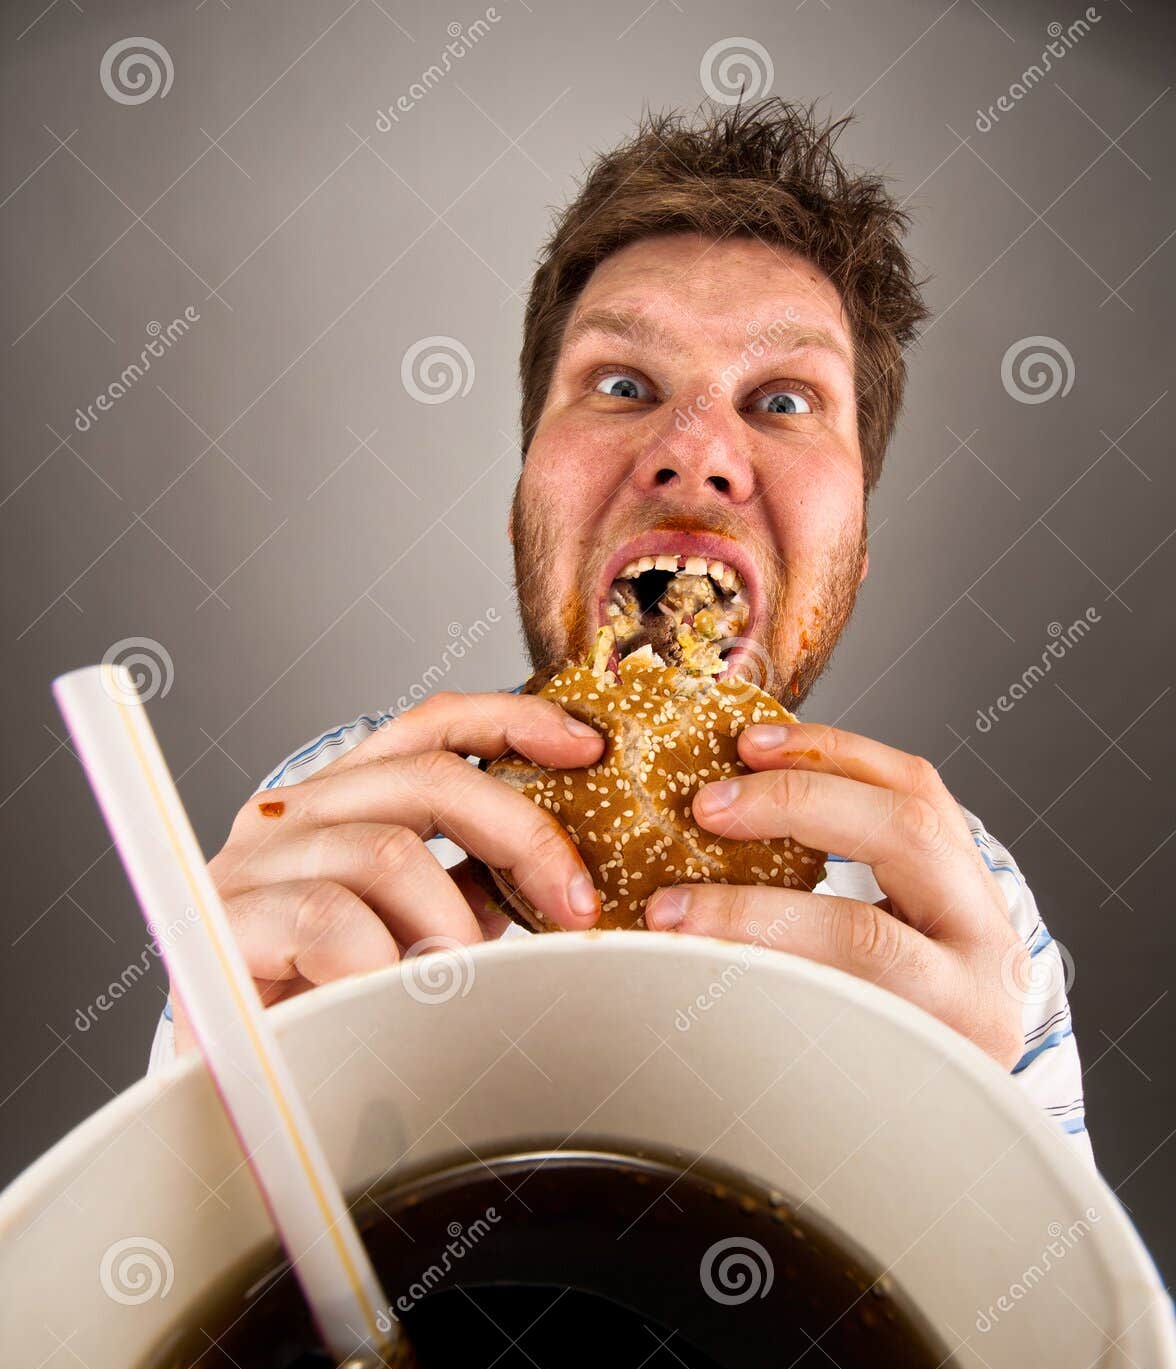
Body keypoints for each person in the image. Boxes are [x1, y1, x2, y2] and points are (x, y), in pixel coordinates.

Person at [149, 100, 1088, 1159]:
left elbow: (1094, 1332)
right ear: (524, 515)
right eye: (623, 383)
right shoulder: (337, 819)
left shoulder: (968, 911)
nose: (695, 449)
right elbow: (147, 1311)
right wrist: (203, 1130)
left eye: (783, 401)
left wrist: (979, 1156)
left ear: (854, 557)